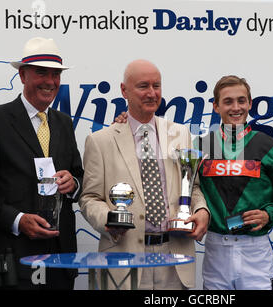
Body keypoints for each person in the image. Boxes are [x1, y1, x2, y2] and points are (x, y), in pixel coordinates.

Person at [79, 59, 210, 290]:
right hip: (123, 257)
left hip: (174, 258)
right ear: (124, 91)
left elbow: (193, 186)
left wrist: (201, 210)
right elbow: (89, 198)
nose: (152, 93)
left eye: (156, 86)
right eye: (143, 86)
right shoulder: (100, 141)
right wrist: (108, 219)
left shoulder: (180, 133)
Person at [0, 37, 84, 290]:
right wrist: (18, 220)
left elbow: (79, 177)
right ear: (22, 75)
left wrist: (72, 183)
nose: (51, 81)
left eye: (56, 74)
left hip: (61, 258)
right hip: (13, 257)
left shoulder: (64, 123)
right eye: (42, 72)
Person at [192, 75, 273, 290]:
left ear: (250, 104)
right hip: (216, 249)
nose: (236, 107)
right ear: (216, 107)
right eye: (228, 101)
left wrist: (269, 214)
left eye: (241, 100)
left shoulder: (267, 146)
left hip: (255, 250)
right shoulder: (202, 145)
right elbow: (188, 190)